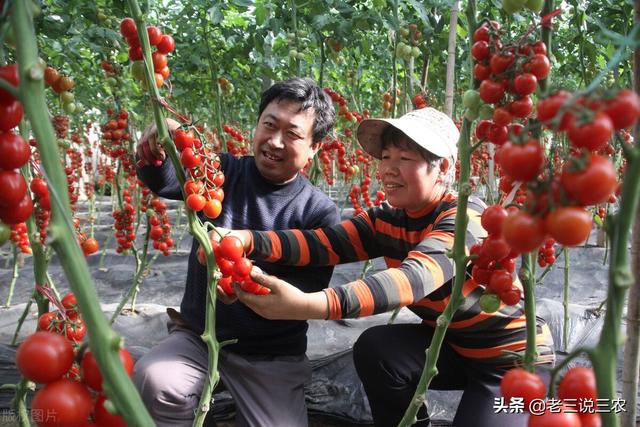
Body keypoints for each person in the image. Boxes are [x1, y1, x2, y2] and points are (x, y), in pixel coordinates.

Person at [222, 107, 556, 427]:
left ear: (443, 169)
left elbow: (411, 280)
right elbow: (321, 244)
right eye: (385, 157)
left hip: (510, 361)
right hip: (453, 347)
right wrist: (247, 240)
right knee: (377, 350)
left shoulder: (467, 219)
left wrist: (306, 306)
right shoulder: (386, 220)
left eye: (405, 159)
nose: (388, 170)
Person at [133, 77, 341, 427]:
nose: (274, 142)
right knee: (154, 381)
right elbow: (165, 177)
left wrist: (246, 281)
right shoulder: (219, 172)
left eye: (292, 134)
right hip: (199, 335)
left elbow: (306, 291)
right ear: (257, 125)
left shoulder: (319, 213)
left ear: (314, 147)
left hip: (269, 354)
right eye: (268, 125)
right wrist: (161, 142)